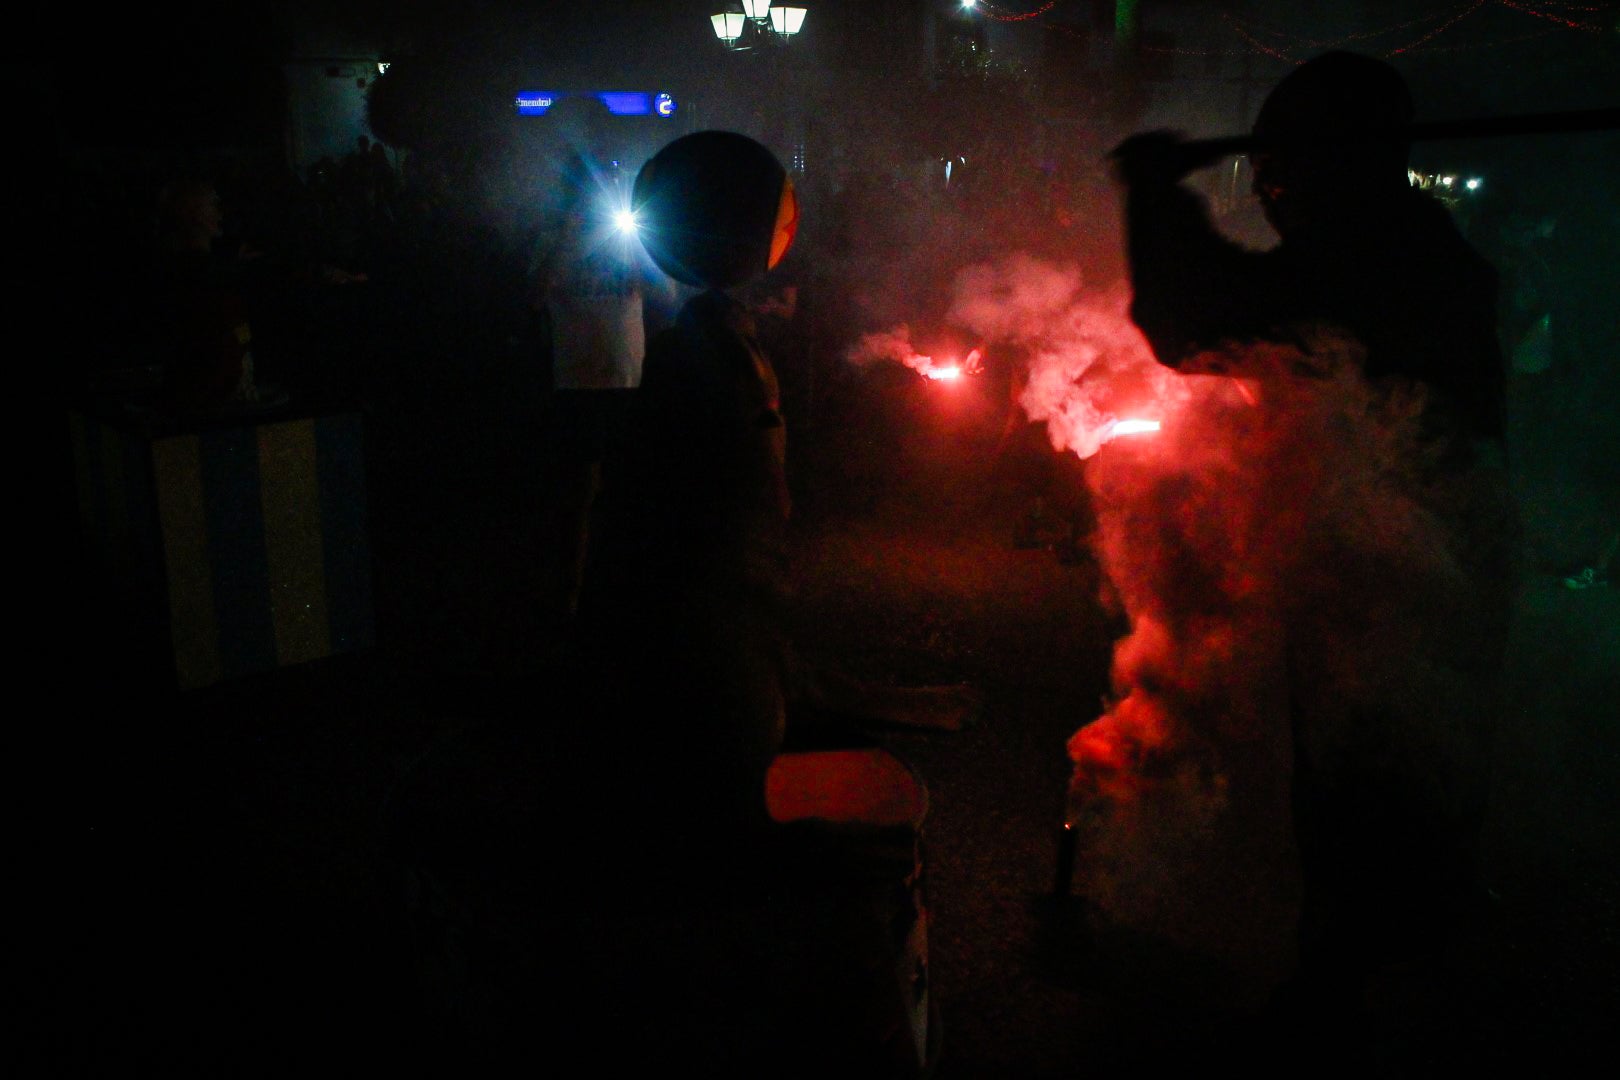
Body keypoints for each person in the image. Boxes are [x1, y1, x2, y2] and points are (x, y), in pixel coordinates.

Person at [1108, 50, 1519, 1059]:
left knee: (1375, 801)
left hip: (1400, 582)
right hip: (1416, 568)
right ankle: (1387, 997)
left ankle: (1367, 1017)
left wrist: (1158, 199)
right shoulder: (1415, 247)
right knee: (1387, 801)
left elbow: (1196, 321)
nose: (1276, 196)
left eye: (1285, 174)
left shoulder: (1378, 255)